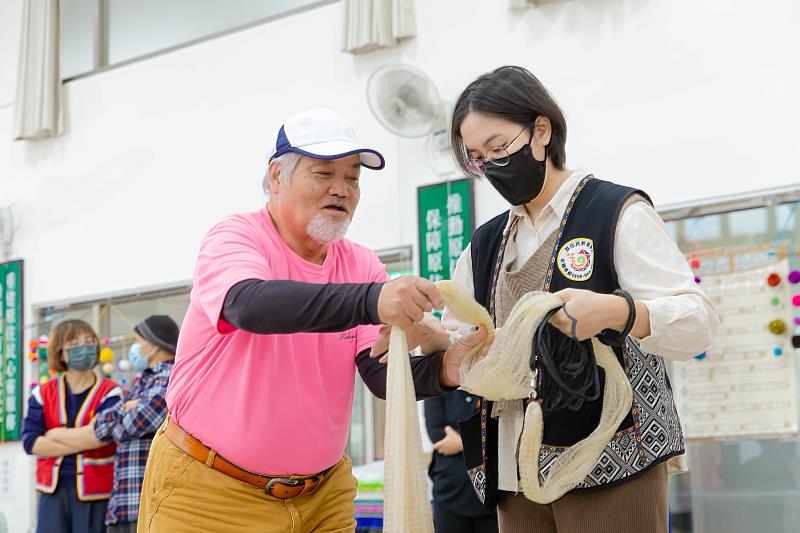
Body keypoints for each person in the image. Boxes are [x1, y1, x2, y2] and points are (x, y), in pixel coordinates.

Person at [138, 108, 484, 532]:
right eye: (324, 174)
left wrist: (447, 370)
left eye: (353, 177)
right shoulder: (236, 237)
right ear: (277, 177)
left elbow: (378, 373)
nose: (342, 190)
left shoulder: (360, 264)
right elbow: (249, 304)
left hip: (323, 497)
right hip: (212, 492)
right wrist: (374, 300)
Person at [442, 66, 719, 533]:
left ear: (541, 131)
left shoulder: (615, 213)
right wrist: (430, 340)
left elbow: (699, 322)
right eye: (477, 159)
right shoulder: (485, 245)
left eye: (498, 148)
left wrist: (623, 312)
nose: (490, 167)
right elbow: (457, 337)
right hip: (515, 469)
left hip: (612, 458)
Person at [21, 319, 122, 533]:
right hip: (52, 492)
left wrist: (54, 434)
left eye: (89, 341)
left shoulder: (111, 392)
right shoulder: (42, 393)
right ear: (61, 352)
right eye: (74, 344)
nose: (83, 348)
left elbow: (100, 437)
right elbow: (31, 442)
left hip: (96, 493)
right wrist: (84, 438)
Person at [92, 315, 179, 533]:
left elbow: (132, 425)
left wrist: (125, 410)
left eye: (139, 341)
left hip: (148, 502)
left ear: (155, 345)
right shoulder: (143, 381)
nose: (135, 347)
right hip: (124, 502)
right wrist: (127, 407)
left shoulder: (170, 379)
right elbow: (100, 425)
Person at [425, 391, 499, 533]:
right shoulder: (437, 388)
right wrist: (478, 441)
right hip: (449, 490)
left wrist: (461, 443)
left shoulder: (493, 387)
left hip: (492, 492)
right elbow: (438, 435)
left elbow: (502, 434)